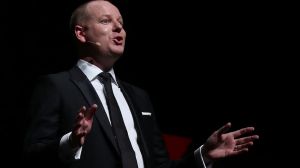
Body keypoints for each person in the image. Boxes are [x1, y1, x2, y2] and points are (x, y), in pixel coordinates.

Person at [23, 0, 259, 168]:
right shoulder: (56, 86)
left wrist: (203, 155)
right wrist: (71, 142)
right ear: (81, 34)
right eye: (106, 21)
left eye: (121, 23)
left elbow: (160, 164)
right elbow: (33, 155)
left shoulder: (139, 97)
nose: (119, 28)